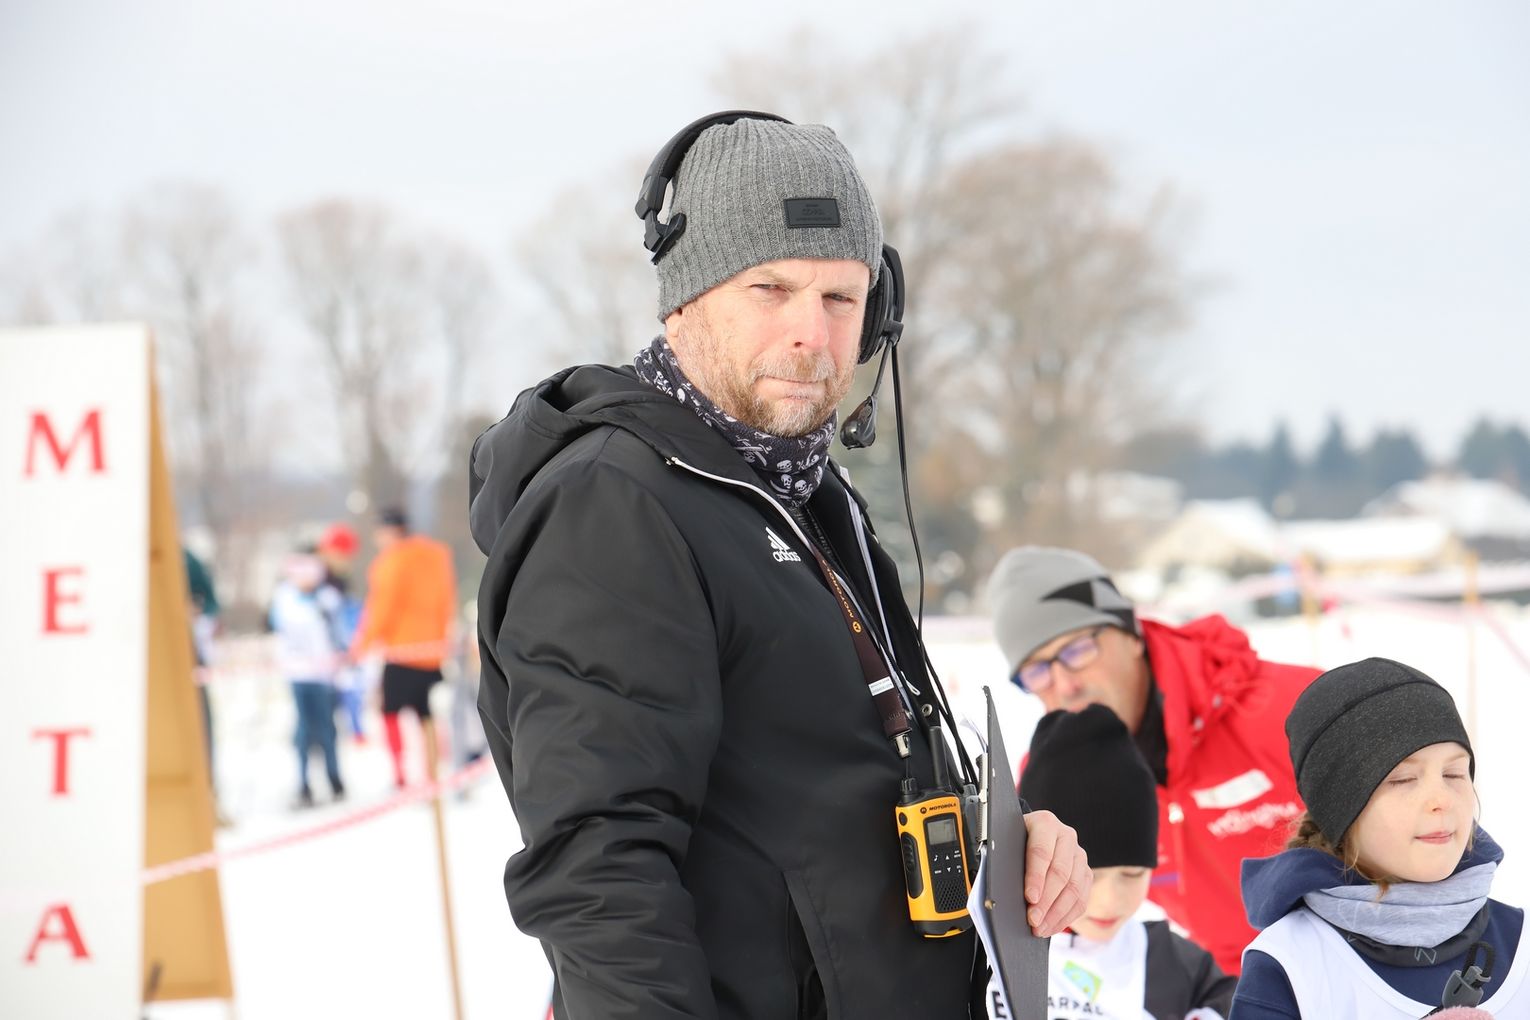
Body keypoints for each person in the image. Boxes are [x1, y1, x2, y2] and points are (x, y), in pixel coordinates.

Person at [469, 112, 1090, 1020]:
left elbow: (828, 788)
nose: (813, 334)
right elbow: (598, 870)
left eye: (841, 298)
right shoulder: (614, 507)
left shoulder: (804, 495)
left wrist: (1006, 845)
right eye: (772, 288)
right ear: (685, 300)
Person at [986, 547, 1319, 974]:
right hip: (1240, 988)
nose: (1065, 685)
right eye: (1037, 671)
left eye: (1076, 650)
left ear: (1131, 633)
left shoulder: (1291, 709)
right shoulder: (1053, 776)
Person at [1232, 657, 1525, 1017]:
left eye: (1454, 774)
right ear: (1342, 809)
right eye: (1402, 780)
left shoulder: (1522, 942)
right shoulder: (1291, 964)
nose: (1442, 800)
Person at [989, 704, 1235, 1019]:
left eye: (1133, 873)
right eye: (1087, 873)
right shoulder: (979, 949)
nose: (1111, 901)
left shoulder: (1181, 970)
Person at [351, 507, 456, 789]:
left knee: (390, 713)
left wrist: (363, 644)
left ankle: (400, 775)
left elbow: (382, 608)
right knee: (427, 714)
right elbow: (447, 601)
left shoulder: (391, 561)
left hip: (401, 651)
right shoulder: (437, 556)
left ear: (390, 530)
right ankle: (432, 773)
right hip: (432, 651)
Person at [269, 550, 346, 807]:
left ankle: (334, 780)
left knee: (327, 729)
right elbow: (280, 627)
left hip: (323, 675)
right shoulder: (285, 598)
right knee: (303, 731)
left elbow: (338, 632)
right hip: (298, 674)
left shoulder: (328, 598)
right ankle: (303, 784)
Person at [317, 522, 368, 742]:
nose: (347, 562)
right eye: (343, 556)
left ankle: (355, 730)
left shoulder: (340, 581)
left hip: (339, 653)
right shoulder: (316, 580)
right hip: (320, 659)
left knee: (351, 689)